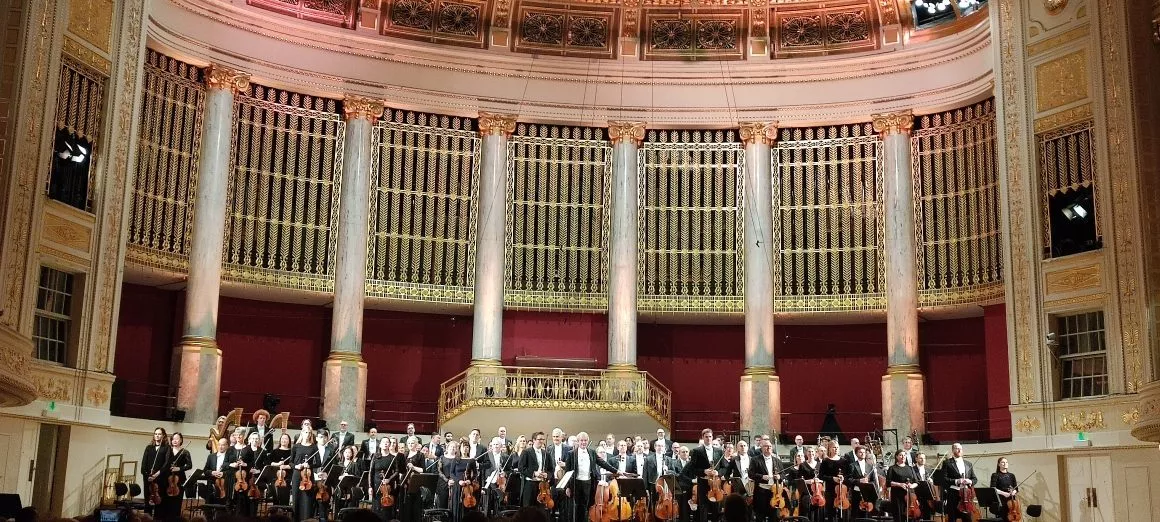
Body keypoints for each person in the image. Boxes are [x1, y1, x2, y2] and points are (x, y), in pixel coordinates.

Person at [565, 431, 621, 522]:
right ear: (578, 441)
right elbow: (567, 471)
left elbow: (602, 463)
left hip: (588, 482)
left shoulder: (591, 452)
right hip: (576, 483)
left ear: (588, 441)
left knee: (586, 506)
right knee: (576, 506)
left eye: (585, 440)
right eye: (581, 440)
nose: (583, 442)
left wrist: (616, 471)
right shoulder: (571, 454)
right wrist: (567, 487)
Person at [681, 429, 721, 522]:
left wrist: (718, 472)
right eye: (706, 437)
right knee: (703, 507)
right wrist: (704, 471)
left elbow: (724, 467)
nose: (708, 439)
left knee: (716, 507)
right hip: (703, 482)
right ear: (703, 438)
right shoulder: (696, 451)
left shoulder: (719, 451)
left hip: (715, 483)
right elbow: (692, 468)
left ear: (712, 437)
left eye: (710, 436)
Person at [939, 443, 978, 522]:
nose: (959, 450)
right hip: (953, 494)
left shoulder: (968, 464)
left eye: (961, 448)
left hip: (966, 495)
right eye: (957, 448)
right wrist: (957, 481)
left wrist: (969, 481)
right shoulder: (947, 463)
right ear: (953, 450)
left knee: (967, 518)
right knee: (952, 518)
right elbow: (944, 479)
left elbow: (974, 479)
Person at [158, 432, 191, 522]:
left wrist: (179, 468)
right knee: (165, 501)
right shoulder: (167, 450)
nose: (175, 441)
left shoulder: (185, 452)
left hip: (179, 479)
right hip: (166, 479)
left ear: (181, 440)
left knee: (176, 502)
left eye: (177, 439)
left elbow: (189, 465)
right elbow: (162, 463)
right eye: (173, 439)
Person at [748, 439, 783, 522]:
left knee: (774, 516)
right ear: (762, 448)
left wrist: (779, 476)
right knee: (760, 516)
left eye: (770, 446)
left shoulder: (777, 460)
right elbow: (751, 474)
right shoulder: (755, 460)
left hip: (775, 493)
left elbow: (783, 474)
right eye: (766, 446)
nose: (769, 448)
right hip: (761, 492)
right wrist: (762, 476)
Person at [518, 432, 551, 508]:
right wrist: (534, 473)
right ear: (533, 440)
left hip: (542, 486)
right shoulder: (526, 452)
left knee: (541, 509)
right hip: (530, 485)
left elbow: (550, 469)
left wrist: (547, 475)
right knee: (529, 509)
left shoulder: (546, 454)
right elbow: (521, 468)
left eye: (543, 439)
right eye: (539, 439)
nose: (541, 441)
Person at [371, 438, 401, 521]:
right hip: (376, 486)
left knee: (386, 511)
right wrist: (370, 486)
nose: (385, 444)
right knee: (376, 509)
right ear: (380, 444)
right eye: (383, 442)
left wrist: (389, 479)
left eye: (387, 442)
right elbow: (371, 472)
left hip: (388, 488)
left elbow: (397, 471)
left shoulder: (392, 458)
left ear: (389, 445)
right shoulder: (375, 456)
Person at [141, 427, 169, 516]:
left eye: (159, 434)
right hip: (148, 478)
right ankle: (147, 517)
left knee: (159, 500)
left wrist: (157, 474)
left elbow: (166, 463)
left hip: (160, 478)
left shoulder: (166, 448)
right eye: (156, 434)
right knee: (147, 499)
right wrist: (147, 475)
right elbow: (143, 464)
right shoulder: (149, 447)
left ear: (163, 435)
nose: (157, 435)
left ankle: (158, 517)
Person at [885, 450, 919, 522]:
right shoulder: (892, 468)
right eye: (900, 455)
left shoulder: (910, 468)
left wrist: (912, 485)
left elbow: (916, 482)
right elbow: (888, 482)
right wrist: (899, 484)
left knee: (911, 516)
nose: (903, 457)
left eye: (904, 455)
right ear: (896, 457)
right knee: (899, 516)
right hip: (897, 496)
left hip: (910, 495)